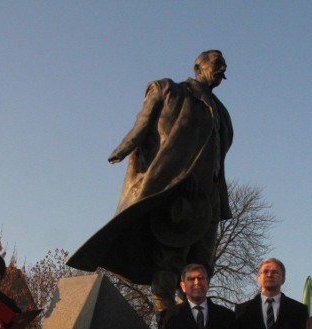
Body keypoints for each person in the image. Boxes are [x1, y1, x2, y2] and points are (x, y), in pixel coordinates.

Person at [67, 50, 233, 312]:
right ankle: (166, 324)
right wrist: (123, 148)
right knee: (171, 258)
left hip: (210, 197)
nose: (223, 69)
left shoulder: (221, 112)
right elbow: (142, 125)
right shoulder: (170, 90)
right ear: (197, 67)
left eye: (224, 66)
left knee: (203, 264)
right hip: (178, 191)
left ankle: (193, 323)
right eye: (217, 64)